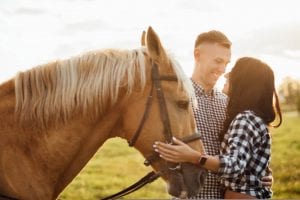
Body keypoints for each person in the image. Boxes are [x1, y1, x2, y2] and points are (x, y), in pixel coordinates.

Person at [154, 56, 282, 199]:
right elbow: (250, 161)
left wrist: (194, 157)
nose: (226, 74)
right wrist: (262, 175)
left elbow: (235, 165)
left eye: (233, 71)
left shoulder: (245, 119)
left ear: (244, 82)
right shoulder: (252, 118)